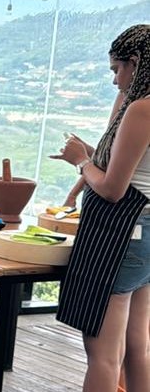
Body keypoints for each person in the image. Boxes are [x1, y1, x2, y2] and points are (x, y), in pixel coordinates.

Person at [52, 24, 150, 392]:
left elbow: (112, 188)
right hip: (145, 235)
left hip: (122, 234)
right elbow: (132, 167)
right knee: (138, 347)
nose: (114, 80)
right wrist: (87, 161)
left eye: (117, 69)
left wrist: (81, 162)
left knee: (103, 353)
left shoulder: (141, 109)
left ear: (136, 62)